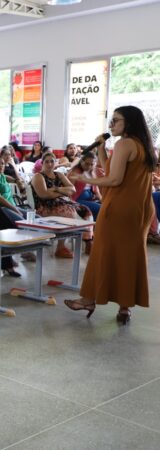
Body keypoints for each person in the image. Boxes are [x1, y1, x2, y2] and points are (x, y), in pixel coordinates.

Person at [65, 106, 157, 324]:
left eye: (116, 120)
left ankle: (87, 299)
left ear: (130, 122)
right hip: (140, 208)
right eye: (111, 120)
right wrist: (101, 149)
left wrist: (82, 179)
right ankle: (125, 308)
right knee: (129, 256)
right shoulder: (144, 145)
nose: (111, 125)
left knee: (102, 253)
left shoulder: (124, 144)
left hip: (119, 207)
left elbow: (114, 180)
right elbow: (113, 171)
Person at [31, 152, 93, 257]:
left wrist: (56, 189)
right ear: (42, 163)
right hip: (45, 206)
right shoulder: (38, 176)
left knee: (86, 210)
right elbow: (43, 194)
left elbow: (72, 189)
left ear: (56, 162)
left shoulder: (59, 174)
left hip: (63, 202)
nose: (50, 164)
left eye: (52, 161)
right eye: (47, 162)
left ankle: (88, 241)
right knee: (68, 212)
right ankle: (60, 248)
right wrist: (63, 192)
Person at [66, 152, 102, 220]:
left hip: (90, 198)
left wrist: (102, 201)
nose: (89, 166)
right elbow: (69, 189)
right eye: (87, 164)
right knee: (100, 208)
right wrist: (70, 203)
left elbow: (97, 191)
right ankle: (95, 227)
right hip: (77, 199)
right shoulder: (74, 172)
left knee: (104, 207)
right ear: (82, 161)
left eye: (92, 164)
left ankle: (94, 226)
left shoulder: (92, 173)